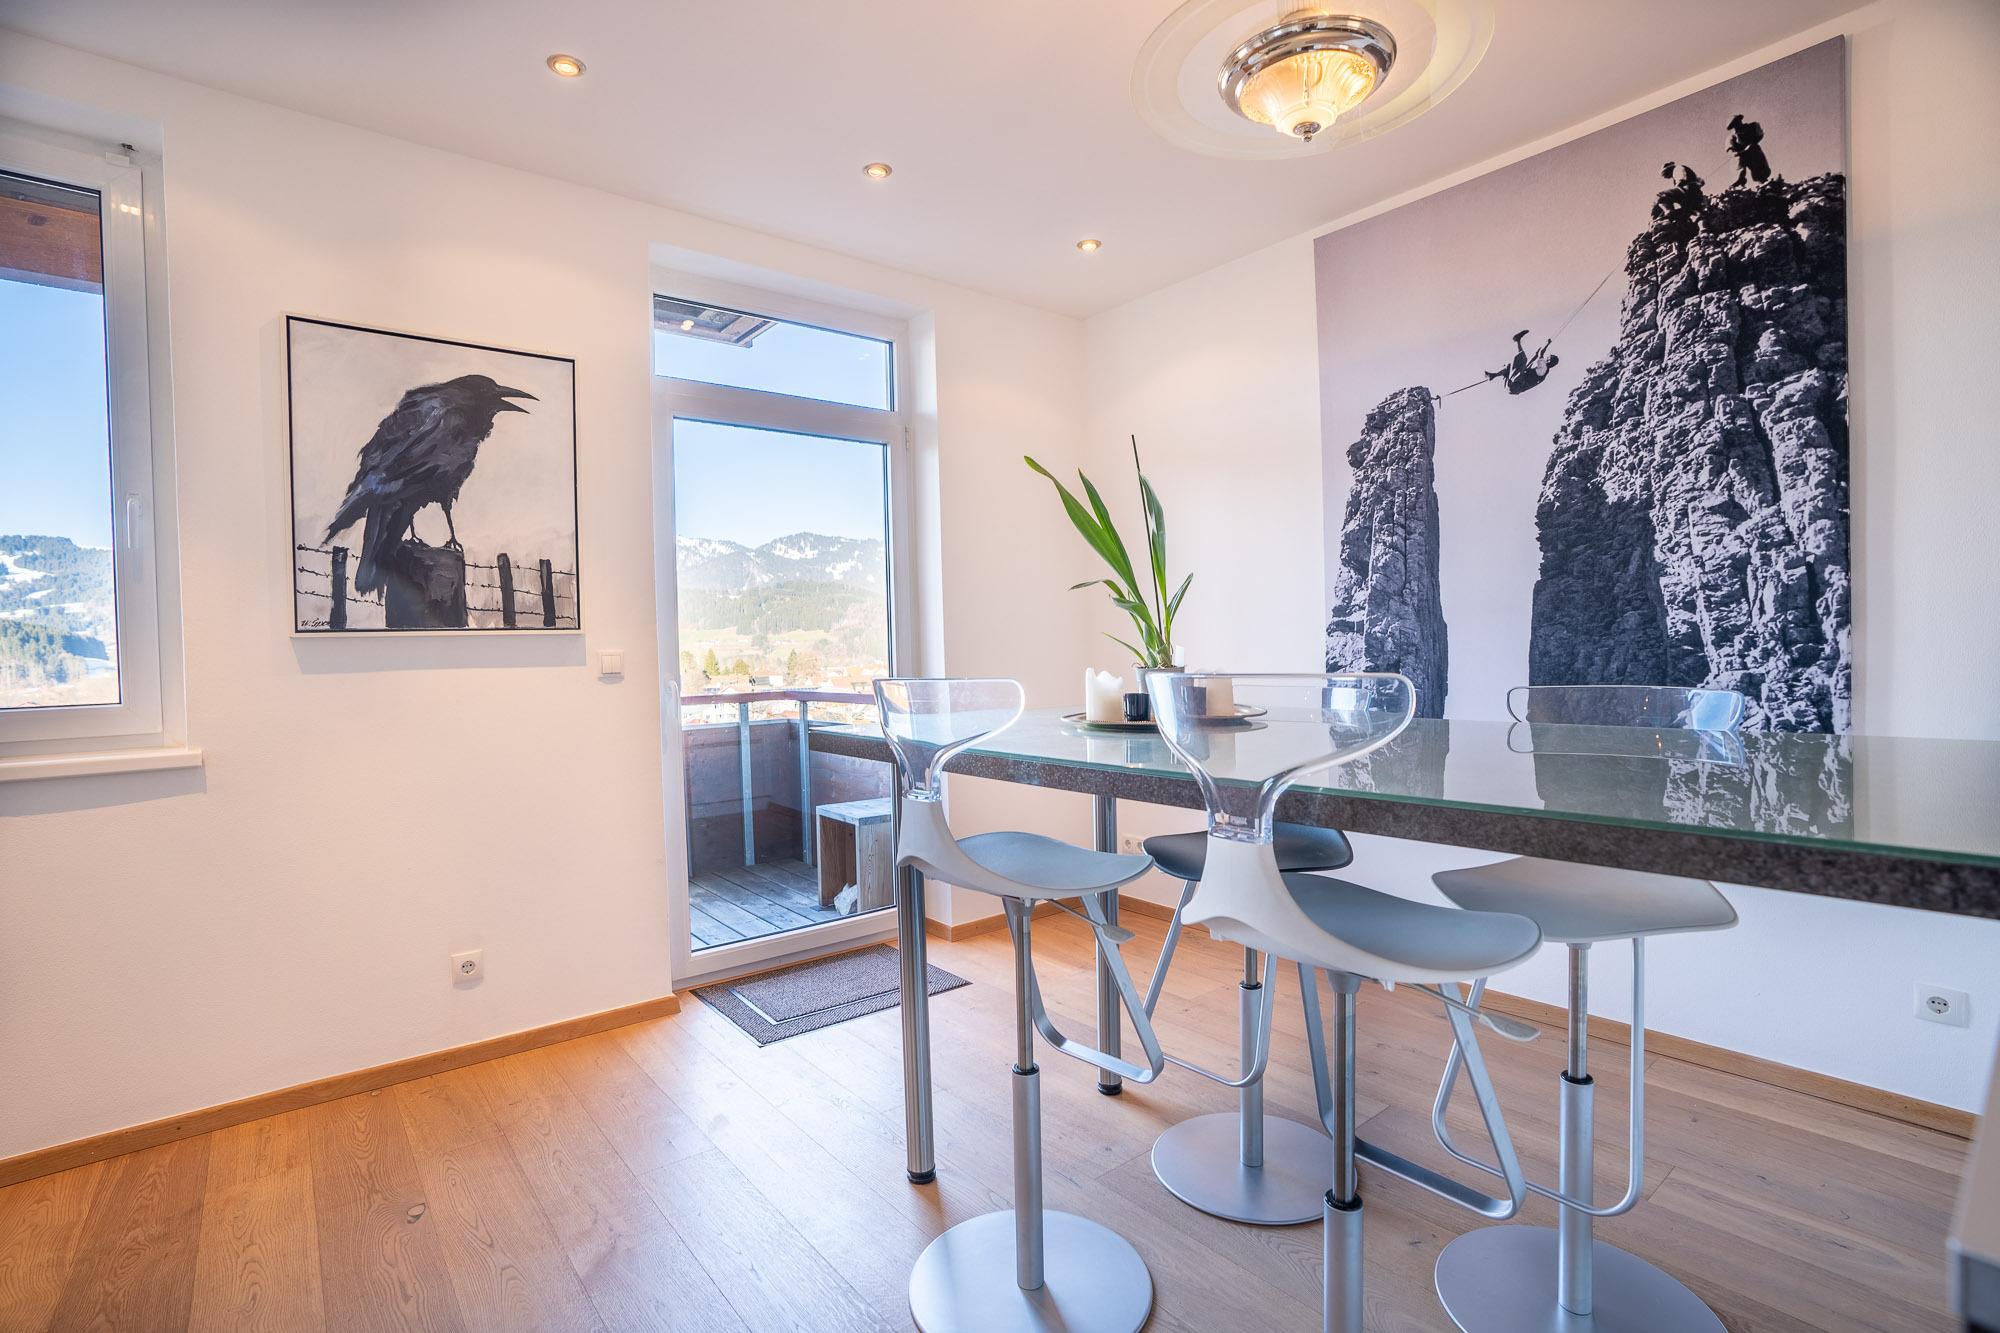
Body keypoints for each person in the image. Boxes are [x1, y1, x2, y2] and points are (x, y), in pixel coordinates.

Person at [1484, 329, 1560, 395]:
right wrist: (1536, 354)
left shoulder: (1544, 368)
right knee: (1511, 367)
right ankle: (1493, 375)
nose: (1546, 357)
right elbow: (1535, 358)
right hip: (1512, 386)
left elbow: (1541, 353)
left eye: (1549, 357)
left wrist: (1547, 344)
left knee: (1523, 360)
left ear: (1549, 360)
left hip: (1516, 385)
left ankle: (1517, 340)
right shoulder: (1542, 370)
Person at [1727, 114, 1771, 187]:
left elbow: (1760, 135)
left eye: (1737, 122)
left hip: (1753, 152)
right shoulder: (1731, 137)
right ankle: (1738, 183)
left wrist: (1752, 144)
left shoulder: (1751, 127)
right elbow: (1731, 151)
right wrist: (1740, 152)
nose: (1737, 126)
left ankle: (1762, 179)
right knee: (1738, 163)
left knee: (1756, 154)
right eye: (1734, 125)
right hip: (1740, 155)